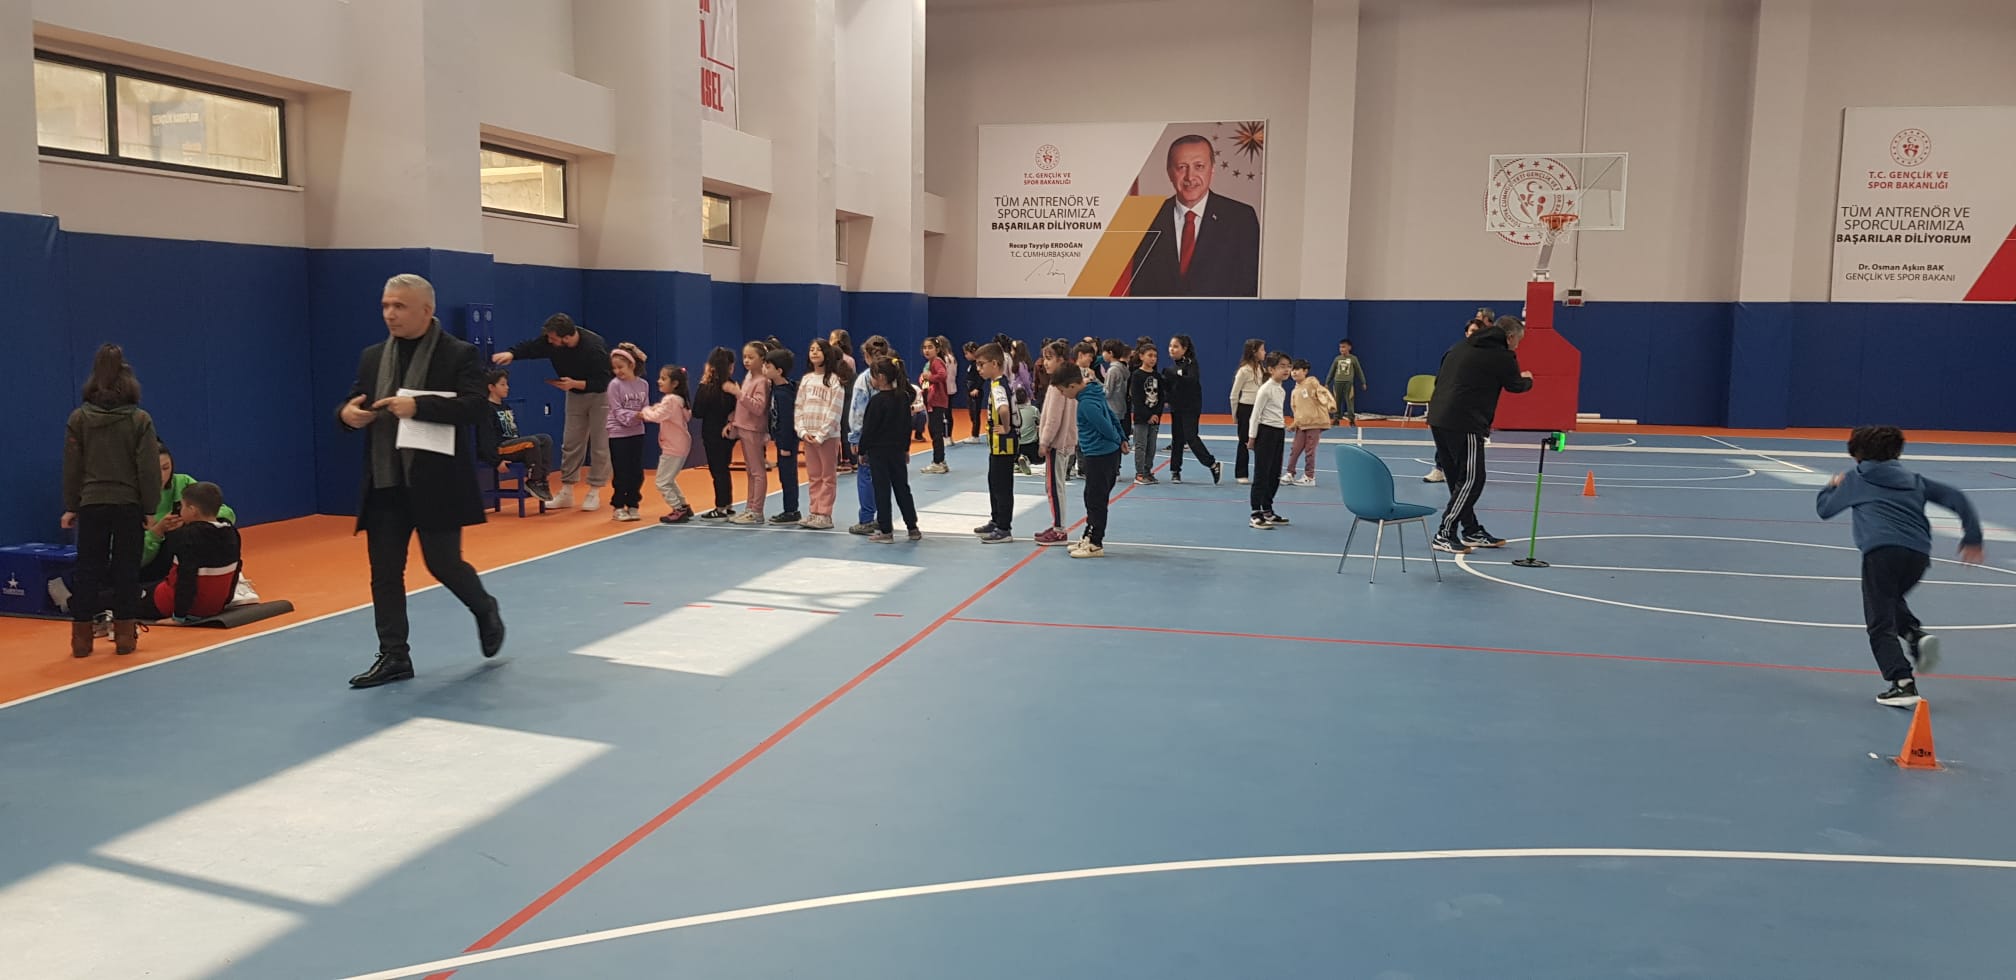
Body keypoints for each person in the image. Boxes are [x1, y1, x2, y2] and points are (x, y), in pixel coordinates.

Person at [337, 273, 504, 689]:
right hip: (385, 481)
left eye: (399, 306)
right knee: (384, 572)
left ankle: (484, 606)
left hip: (436, 482)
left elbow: (475, 407)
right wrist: (347, 415)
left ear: (426, 311)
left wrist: (419, 407)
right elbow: (355, 399)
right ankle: (394, 655)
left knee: (443, 563)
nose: (389, 314)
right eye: (385, 305)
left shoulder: (459, 354)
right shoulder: (373, 356)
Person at [1817, 425, 1985, 707]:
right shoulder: (1914, 480)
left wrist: (1831, 485)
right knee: (1890, 600)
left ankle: (1902, 683)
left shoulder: (1856, 479)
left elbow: (1825, 509)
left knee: (1879, 621)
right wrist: (1973, 536)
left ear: (1855, 453)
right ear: (1897, 452)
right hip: (1918, 555)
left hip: (1881, 553)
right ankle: (1914, 634)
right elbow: (1956, 497)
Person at [62, 343, 161, 658]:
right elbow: (148, 468)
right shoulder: (139, 419)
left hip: (92, 503)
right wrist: (150, 507)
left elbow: (72, 467)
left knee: (88, 568)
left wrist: (71, 505)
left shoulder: (79, 418)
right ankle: (124, 637)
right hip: (128, 503)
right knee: (126, 568)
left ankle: (81, 639)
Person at [1427, 314, 1534, 554]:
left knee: (1456, 478)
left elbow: (1439, 379)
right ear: (1510, 337)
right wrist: (1528, 380)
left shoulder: (1459, 346)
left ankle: (1471, 529)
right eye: (1518, 341)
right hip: (1465, 421)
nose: (1517, 346)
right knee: (1473, 479)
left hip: (1438, 417)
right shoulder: (1502, 355)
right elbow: (1515, 385)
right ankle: (1445, 533)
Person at [491, 313, 612, 510]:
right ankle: (567, 491)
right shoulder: (551, 343)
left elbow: (603, 381)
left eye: (553, 338)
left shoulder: (594, 346)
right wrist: (512, 354)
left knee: (600, 443)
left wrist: (574, 383)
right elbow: (532, 347)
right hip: (574, 395)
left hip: (600, 396)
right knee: (571, 442)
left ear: (566, 337)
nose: (549, 341)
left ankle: (594, 490)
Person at [1123, 134, 1262, 297]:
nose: (1190, 177)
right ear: (1169, 172)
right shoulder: (1147, 219)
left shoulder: (1241, 219)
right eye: (1181, 167)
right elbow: (1139, 291)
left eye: (1199, 166)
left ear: (1212, 169)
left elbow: (1250, 289)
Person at [149, 481, 240, 622]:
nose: (180, 510)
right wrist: (225, 601)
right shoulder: (231, 531)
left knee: (120, 597)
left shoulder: (186, 536)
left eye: (182, 506)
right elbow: (237, 568)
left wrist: (178, 617)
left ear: (192, 510)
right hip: (215, 605)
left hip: (173, 604)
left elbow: (186, 578)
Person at [1063, 363, 1127, 558]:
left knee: (1096, 500)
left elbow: (1105, 425)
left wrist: (1118, 440)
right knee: (1091, 497)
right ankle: (1088, 535)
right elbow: (1112, 416)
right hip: (1100, 455)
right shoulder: (1093, 394)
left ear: (1072, 386)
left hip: (1100, 456)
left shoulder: (1086, 404)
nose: (1063, 395)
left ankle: (1095, 543)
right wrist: (1122, 437)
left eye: (1063, 391)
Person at [858, 357, 923, 543]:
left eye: (872, 376)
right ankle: (912, 527)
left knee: (882, 490)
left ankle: (886, 530)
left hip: (878, 452)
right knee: (902, 488)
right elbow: (906, 426)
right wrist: (905, 449)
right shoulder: (903, 398)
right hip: (897, 451)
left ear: (880, 377)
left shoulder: (877, 401)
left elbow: (869, 429)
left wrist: (862, 450)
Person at [475, 370, 556, 503]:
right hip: (500, 448)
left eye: (507, 384)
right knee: (531, 442)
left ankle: (542, 479)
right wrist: (496, 461)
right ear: (491, 387)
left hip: (512, 445)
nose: (507, 387)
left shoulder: (505, 406)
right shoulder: (486, 409)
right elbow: (485, 439)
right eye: (502, 384)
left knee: (545, 439)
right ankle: (534, 480)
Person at [795, 339, 850, 530]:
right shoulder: (807, 379)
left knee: (827, 476)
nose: (814, 353)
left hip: (827, 437)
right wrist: (802, 431)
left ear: (827, 354)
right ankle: (814, 511)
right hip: (808, 436)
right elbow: (799, 406)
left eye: (818, 350)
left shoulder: (835, 381)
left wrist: (821, 435)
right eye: (811, 349)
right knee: (814, 476)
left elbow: (835, 411)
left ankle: (824, 514)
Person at [1034, 342, 1079, 547]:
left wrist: (1044, 441)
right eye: (1044, 358)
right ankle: (1057, 525)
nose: (1045, 363)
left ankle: (1059, 530)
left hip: (1056, 443)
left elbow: (1053, 418)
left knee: (1053, 487)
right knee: (1055, 485)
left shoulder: (1056, 387)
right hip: (1064, 442)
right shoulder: (1067, 384)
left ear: (1061, 360)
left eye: (1049, 358)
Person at [974, 343, 1018, 543]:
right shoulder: (998, 383)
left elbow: (1003, 409)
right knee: (994, 482)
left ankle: (1004, 527)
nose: (979, 369)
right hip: (997, 445)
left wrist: (1006, 427)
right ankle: (996, 519)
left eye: (981, 364)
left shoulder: (998, 386)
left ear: (994, 363)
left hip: (1003, 445)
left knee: (1002, 485)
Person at [1162, 334, 1222, 485]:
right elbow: (1169, 387)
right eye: (1170, 346)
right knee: (1177, 439)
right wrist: (1167, 396)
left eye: (1176, 346)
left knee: (1191, 437)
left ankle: (1212, 464)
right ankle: (1175, 471)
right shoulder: (1172, 368)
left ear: (1184, 349)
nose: (1172, 349)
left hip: (1190, 407)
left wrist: (1175, 375)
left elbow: (1190, 381)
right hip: (1177, 407)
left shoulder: (1191, 364)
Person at [639, 365, 694, 524]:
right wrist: (655, 408)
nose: (659, 381)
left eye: (663, 379)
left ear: (675, 383)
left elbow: (657, 416)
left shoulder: (670, 400)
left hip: (673, 447)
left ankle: (678, 509)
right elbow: (664, 412)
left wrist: (645, 412)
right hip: (679, 445)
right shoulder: (679, 400)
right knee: (668, 479)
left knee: (661, 482)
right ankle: (683, 506)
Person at [603, 343, 651, 522]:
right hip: (618, 433)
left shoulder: (643, 384)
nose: (617, 371)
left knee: (636, 471)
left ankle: (633, 504)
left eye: (620, 367)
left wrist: (647, 414)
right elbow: (617, 411)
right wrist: (635, 416)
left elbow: (645, 406)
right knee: (621, 471)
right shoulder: (614, 386)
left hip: (637, 432)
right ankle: (618, 506)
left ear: (632, 365)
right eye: (614, 368)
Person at [1246, 352, 1293, 529]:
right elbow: (1255, 415)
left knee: (1274, 474)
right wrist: (1252, 437)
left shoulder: (1281, 389)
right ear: (1271, 369)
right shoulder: (1265, 389)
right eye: (1282, 366)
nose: (1286, 370)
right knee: (1262, 474)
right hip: (1265, 433)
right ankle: (1255, 513)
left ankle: (1267, 509)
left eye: (1288, 366)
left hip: (1278, 432)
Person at [693, 347, 740, 520]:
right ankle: (727, 504)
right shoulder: (733, 385)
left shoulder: (707, 387)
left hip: (712, 433)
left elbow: (697, 412)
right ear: (730, 366)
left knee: (718, 470)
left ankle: (721, 507)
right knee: (723, 469)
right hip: (729, 433)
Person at [763, 347, 802, 525]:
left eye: (768, 366)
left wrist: (786, 445)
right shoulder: (777, 388)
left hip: (787, 441)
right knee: (784, 475)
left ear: (779, 371)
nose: (764, 369)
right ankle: (790, 509)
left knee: (788, 476)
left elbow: (787, 421)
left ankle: (791, 510)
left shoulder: (784, 394)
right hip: (780, 440)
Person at [1286, 358, 1337, 487]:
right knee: (1295, 449)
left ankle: (1309, 477)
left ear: (1305, 371)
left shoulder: (1311, 383)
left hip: (1315, 423)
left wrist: (1330, 404)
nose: (1294, 372)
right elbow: (1297, 411)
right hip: (1302, 425)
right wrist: (1294, 424)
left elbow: (1323, 392)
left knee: (1310, 451)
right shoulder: (1294, 391)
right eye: (1292, 370)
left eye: (1297, 369)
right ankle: (1290, 473)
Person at [1228, 339, 1266, 483]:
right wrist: (1235, 414)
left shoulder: (1262, 369)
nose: (1264, 352)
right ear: (1254, 352)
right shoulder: (1244, 371)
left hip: (1259, 409)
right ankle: (1241, 473)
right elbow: (1234, 395)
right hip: (1246, 408)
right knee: (1244, 440)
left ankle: (1261, 473)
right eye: (1262, 350)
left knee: (1261, 442)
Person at [1128, 342, 1164, 486]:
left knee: (1152, 446)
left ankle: (1148, 471)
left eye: (1155, 356)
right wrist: (1148, 415)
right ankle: (1139, 473)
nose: (1153, 358)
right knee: (1141, 445)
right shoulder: (1137, 375)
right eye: (1150, 355)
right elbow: (1136, 399)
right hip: (1141, 418)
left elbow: (1161, 397)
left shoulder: (1157, 376)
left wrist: (1156, 414)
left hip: (1155, 418)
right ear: (1141, 356)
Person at [1325, 339, 1368, 427]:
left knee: (1349, 401)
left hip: (1348, 384)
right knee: (1337, 401)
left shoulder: (1353, 359)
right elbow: (1331, 371)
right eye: (1340, 347)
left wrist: (1363, 382)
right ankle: (1336, 418)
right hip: (1337, 383)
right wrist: (1327, 383)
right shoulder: (1337, 359)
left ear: (1349, 348)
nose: (1342, 349)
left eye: (1344, 347)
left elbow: (1359, 371)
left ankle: (1351, 419)